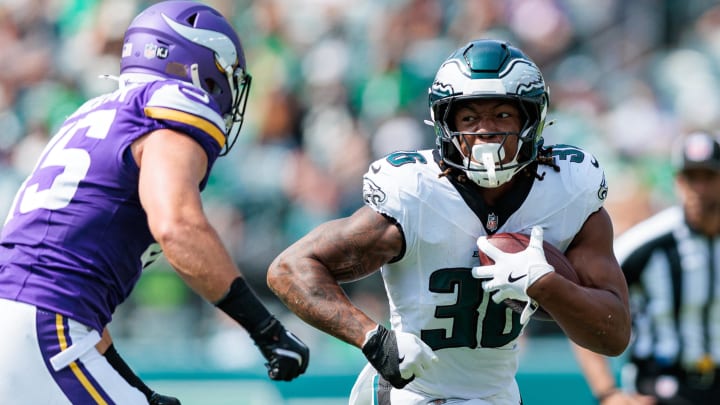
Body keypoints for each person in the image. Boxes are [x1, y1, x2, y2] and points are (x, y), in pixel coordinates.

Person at [266, 38, 631, 404]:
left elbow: (614, 335)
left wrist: (545, 284)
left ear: (531, 119)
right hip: (412, 392)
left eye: (502, 115)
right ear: (445, 124)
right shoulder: (415, 193)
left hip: (496, 395)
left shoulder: (567, 190)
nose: (485, 131)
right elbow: (289, 269)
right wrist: (372, 338)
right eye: (469, 117)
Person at [0, 1, 309, 404]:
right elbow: (177, 227)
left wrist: (138, 390)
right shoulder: (170, 109)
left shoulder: (92, 114)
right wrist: (265, 328)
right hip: (44, 326)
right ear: (201, 65)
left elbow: (70, 289)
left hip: (29, 320)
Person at [573, 131, 720, 405]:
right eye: (691, 177)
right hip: (661, 388)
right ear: (678, 181)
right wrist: (608, 393)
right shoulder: (647, 244)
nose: (699, 188)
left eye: (709, 177)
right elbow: (583, 307)